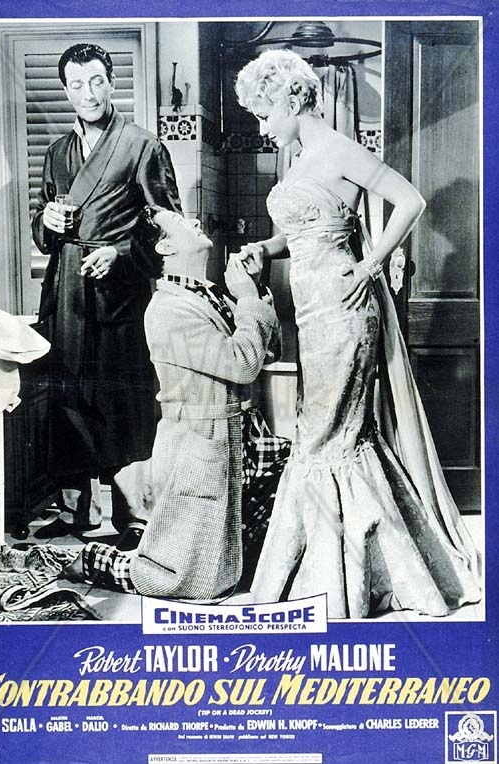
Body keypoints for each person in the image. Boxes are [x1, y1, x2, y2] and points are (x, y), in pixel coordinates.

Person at [234, 49, 481, 618]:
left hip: (345, 313)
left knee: (328, 438)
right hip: (311, 315)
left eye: (264, 114)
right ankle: (346, 567)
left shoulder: (340, 149)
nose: (263, 127)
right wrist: (264, 248)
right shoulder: (299, 158)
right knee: (328, 434)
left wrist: (371, 265)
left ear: (292, 99)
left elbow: (411, 200)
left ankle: (335, 579)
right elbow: (307, 231)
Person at [61, 208, 284, 599]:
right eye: (181, 223)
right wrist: (249, 299)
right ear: (165, 247)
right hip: (199, 445)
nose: (195, 222)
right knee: (187, 579)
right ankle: (94, 561)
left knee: (298, 478)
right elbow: (243, 364)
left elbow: (269, 351)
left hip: (240, 437)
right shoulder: (168, 310)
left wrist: (256, 289)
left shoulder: (210, 294)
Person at [31, 44, 181, 549]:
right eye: (76, 84)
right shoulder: (57, 153)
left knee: (123, 402)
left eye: (96, 81)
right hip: (67, 292)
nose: (88, 94)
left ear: (112, 82)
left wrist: (121, 253)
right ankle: (76, 512)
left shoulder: (142, 146)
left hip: (121, 295)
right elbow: (42, 229)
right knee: (69, 398)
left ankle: (133, 515)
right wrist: (47, 222)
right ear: (66, 90)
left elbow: (169, 229)